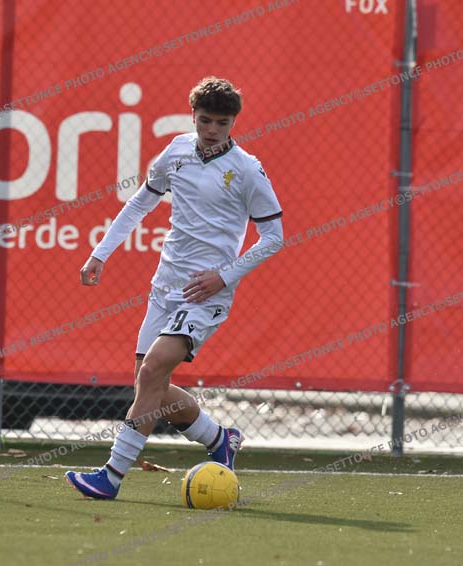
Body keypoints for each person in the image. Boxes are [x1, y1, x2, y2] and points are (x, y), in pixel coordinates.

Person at [65, 77, 284, 500]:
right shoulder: (177, 151)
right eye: (205, 120)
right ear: (193, 116)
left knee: (152, 373)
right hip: (165, 284)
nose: (212, 129)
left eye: (222, 122)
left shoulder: (246, 170)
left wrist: (224, 276)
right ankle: (219, 438)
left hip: (206, 294)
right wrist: (100, 254)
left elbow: (274, 237)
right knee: (149, 386)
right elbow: (139, 203)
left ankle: (111, 476)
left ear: (234, 123)